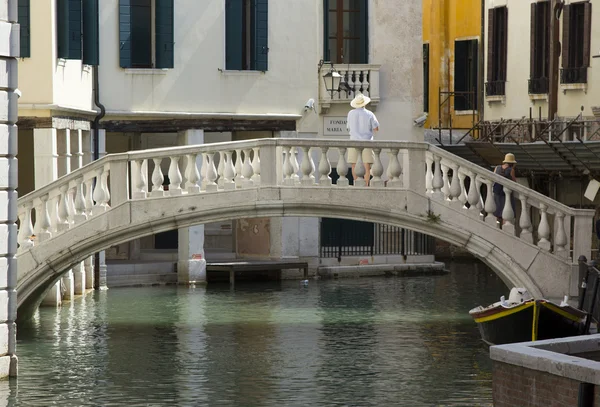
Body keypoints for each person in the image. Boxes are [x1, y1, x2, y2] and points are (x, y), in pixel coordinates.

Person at [346, 92, 379, 185]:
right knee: (366, 165)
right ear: (365, 103)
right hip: (367, 142)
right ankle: (366, 184)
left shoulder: (350, 113)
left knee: (354, 164)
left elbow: (348, 127)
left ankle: (356, 183)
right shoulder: (370, 114)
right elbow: (376, 128)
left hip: (353, 141)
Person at [493, 153, 517, 224]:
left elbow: (493, 177)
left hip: (497, 191)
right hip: (506, 193)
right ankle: (504, 227)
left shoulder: (497, 168)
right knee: (505, 211)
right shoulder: (511, 170)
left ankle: (496, 226)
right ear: (512, 163)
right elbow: (514, 182)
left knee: (497, 210)